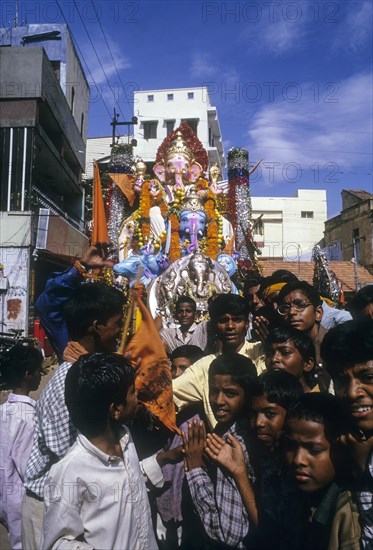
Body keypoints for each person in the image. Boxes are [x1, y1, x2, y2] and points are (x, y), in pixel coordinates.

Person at [22, 282, 128, 549]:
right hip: (48, 506)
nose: (119, 331)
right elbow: (66, 458)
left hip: (73, 501)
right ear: (97, 326)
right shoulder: (67, 383)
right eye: (117, 323)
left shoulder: (89, 372)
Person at [41, 353, 158, 550]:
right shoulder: (70, 471)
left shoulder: (125, 440)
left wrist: (162, 460)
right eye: (132, 393)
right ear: (115, 410)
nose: (137, 398)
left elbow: (126, 485)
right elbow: (55, 543)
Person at [206, 371, 303, 550]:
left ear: (291, 414)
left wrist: (240, 474)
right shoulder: (263, 451)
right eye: (254, 413)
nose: (258, 422)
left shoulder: (297, 462)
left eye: (270, 413)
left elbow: (271, 531)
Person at [182, 354, 258, 549]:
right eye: (213, 391)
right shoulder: (228, 429)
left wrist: (195, 469)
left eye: (230, 393)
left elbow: (228, 533)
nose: (218, 400)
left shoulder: (233, 444)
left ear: (248, 396)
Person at [172, 294, 266, 429]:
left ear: (247, 324)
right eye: (223, 320)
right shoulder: (205, 366)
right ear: (215, 326)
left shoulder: (260, 352)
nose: (230, 326)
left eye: (237, 320)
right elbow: (169, 394)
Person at [283, 393, 361, 550]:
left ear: (340, 449)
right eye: (291, 446)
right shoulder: (298, 496)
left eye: (314, 449)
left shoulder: (349, 518)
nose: (299, 460)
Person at [321, 318, 373, 548]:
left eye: (368, 378)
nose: (352, 392)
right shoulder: (344, 437)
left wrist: (364, 474)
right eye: (342, 379)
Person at [35, 244, 114, 363]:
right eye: (118, 323)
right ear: (97, 326)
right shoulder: (71, 347)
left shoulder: (117, 352)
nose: (121, 329)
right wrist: (80, 267)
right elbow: (46, 304)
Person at [0, 344, 43, 549]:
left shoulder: (3, 410)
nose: (40, 375)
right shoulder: (29, 417)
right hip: (19, 498)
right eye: (38, 371)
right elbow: (29, 467)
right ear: (27, 375)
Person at [264, 327, 319, 392]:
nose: (274, 359)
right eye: (269, 354)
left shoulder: (319, 401)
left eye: (285, 352)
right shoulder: (263, 399)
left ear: (307, 364)